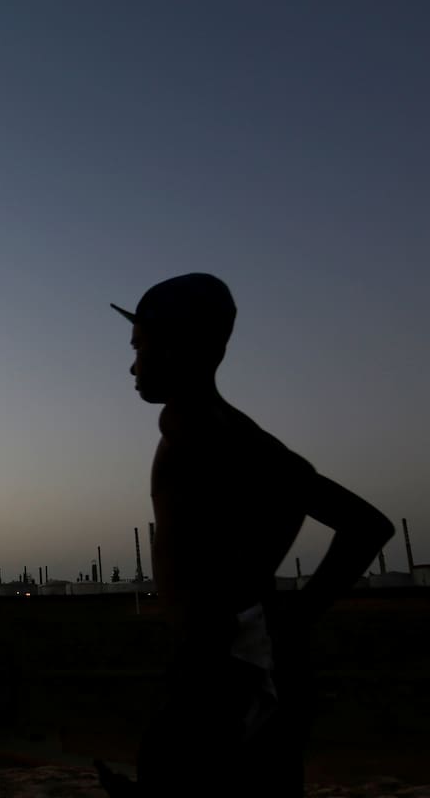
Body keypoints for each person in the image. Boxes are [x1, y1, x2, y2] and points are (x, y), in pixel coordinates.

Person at [97, 273, 394, 797]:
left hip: (232, 671)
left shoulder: (219, 435)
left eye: (139, 347)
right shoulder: (210, 432)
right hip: (218, 661)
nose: (131, 364)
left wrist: (292, 619)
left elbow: (366, 526)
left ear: (173, 349)